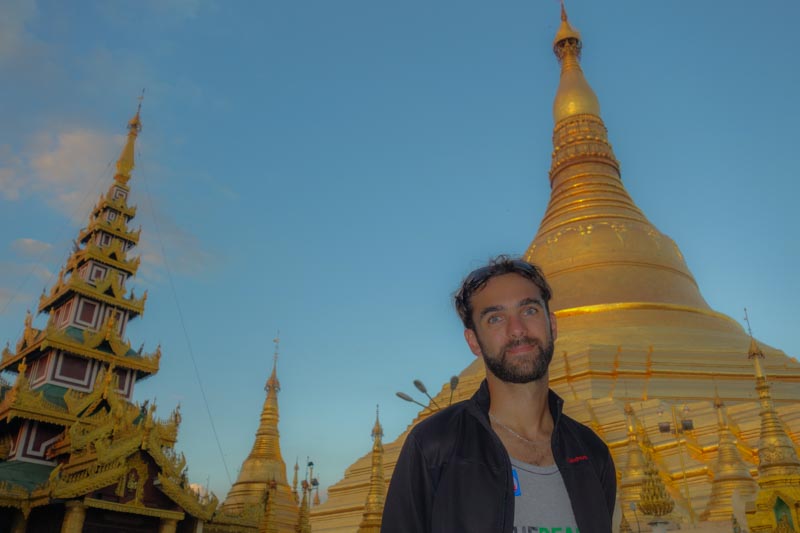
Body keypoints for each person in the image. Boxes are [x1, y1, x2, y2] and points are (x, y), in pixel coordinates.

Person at [382, 256, 616, 533]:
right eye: (495, 318)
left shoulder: (591, 453)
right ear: (474, 342)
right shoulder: (435, 447)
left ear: (552, 326)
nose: (516, 330)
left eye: (528, 311)